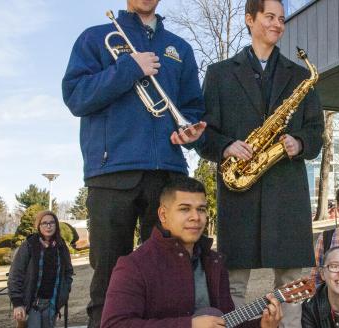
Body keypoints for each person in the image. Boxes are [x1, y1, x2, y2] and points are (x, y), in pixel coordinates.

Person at [61, 0, 206, 325]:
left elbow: (193, 106)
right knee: (110, 277)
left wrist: (190, 129)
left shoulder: (178, 48)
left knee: (168, 274)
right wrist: (129, 68)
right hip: (111, 174)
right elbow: (75, 96)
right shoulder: (95, 38)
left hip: (168, 173)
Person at [197, 0, 323, 326]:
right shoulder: (219, 73)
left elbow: (316, 133)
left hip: (287, 193)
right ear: (249, 19)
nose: (278, 24)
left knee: (292, 286)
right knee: (233, 287)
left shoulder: (300, 76)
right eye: (270, 17)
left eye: (281, 19)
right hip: (240, 191)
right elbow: (203, 134)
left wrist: (300, 143)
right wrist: (225, 146)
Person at [100, 176, 282, 328]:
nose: (196, 217)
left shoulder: (214, 263)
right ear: (163, 215)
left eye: (201, 209)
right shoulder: (133, 266)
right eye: (184, 209)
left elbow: (225, 323)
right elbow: (114, 325)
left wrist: (262, 325)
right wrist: (189, 325)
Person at [8, 211, 74, 328]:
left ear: (56, 225)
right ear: (38, 226)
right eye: (44, 223)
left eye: (51, 223)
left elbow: (68, 272)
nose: (48, 226)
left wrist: (65, 291)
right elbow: (15, 275)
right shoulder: (29, 245)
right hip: (31, 305)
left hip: (51, 304)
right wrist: (17, 303)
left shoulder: (61, 246)